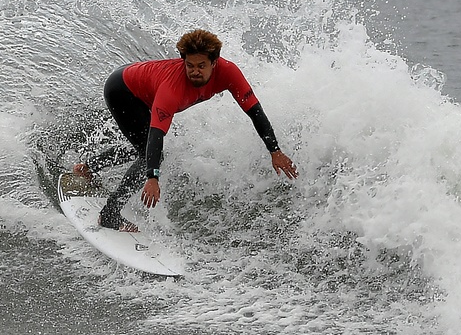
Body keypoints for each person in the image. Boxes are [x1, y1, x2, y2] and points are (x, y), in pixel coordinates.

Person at [75, 29, 298, 232]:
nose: (194, 72)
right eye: (190, 65)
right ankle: (109, 214)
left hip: (140, 85)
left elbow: (254, 111)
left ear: (214, 62)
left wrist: (274, 150)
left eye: (201, 66)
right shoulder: (172, 89)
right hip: (123, 90)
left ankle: (88, 168)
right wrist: (152, 177)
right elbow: (156, 134)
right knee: (150, 155)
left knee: (143, 149)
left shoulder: (229, 73)